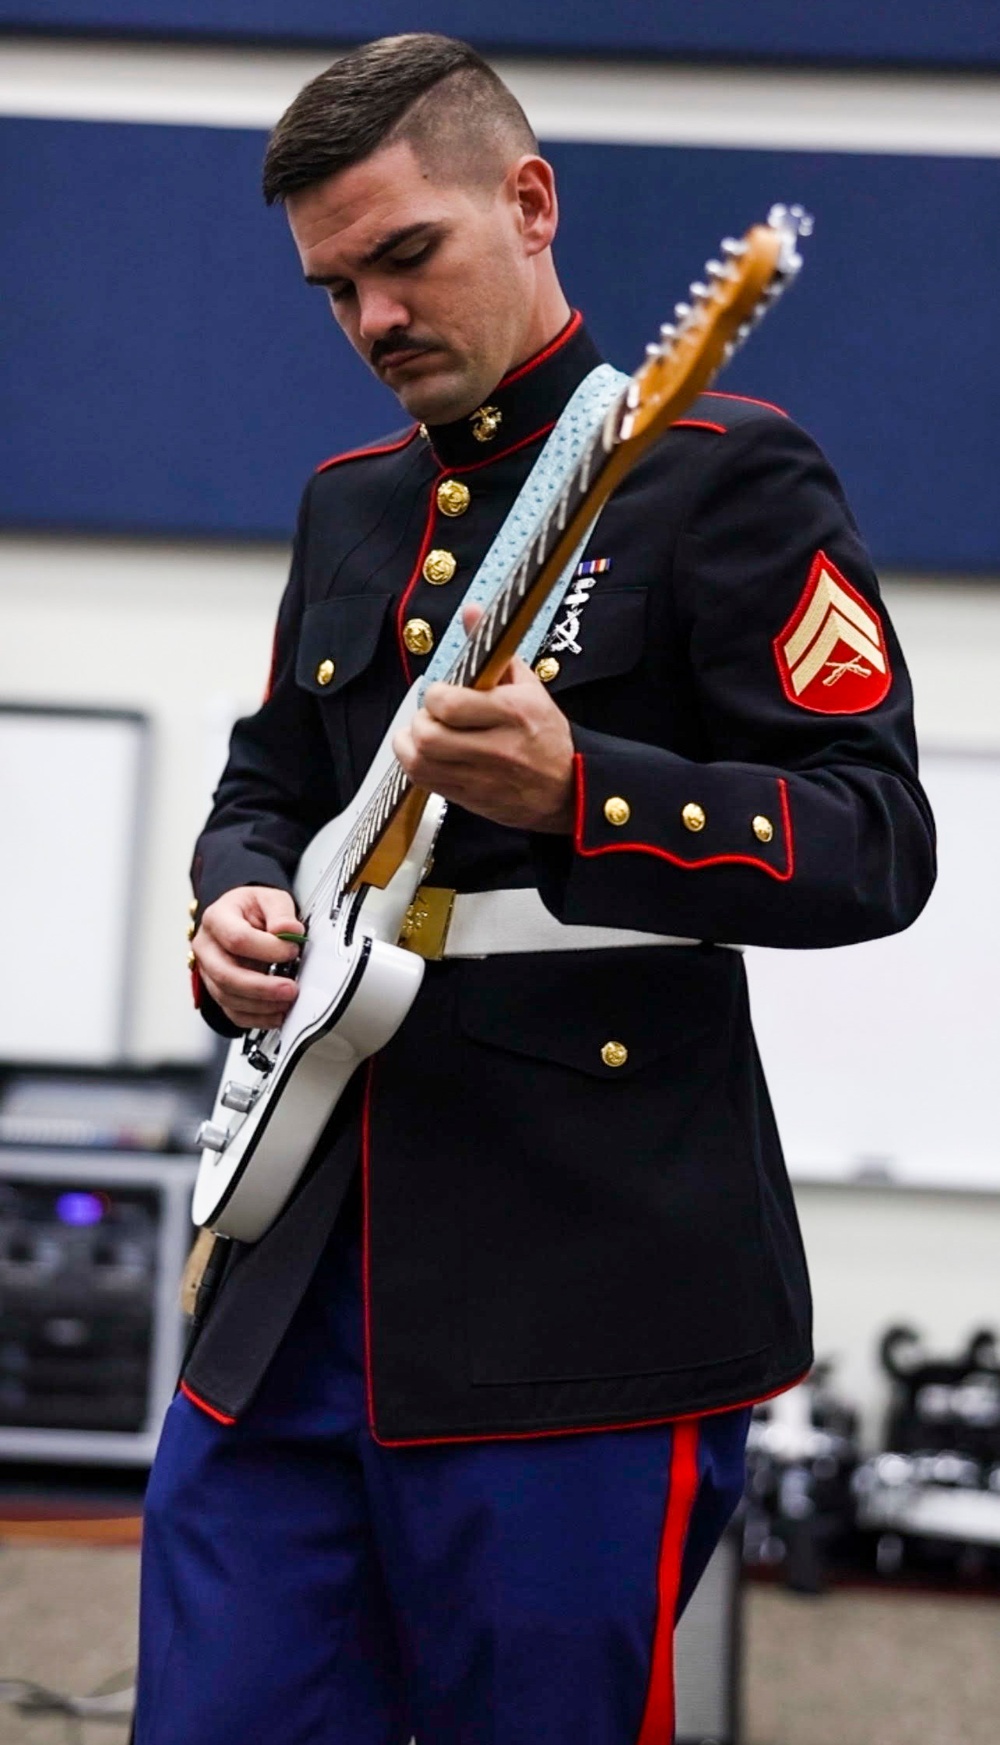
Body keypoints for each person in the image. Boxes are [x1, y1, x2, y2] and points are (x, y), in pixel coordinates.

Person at [136, 33, 936, 1745]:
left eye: (404, 256)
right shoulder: (346, 509)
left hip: (582, 1289)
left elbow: (875, 836)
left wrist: (587, 792)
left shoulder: (719, 468)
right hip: (289, 1282)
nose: (373, 323)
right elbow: (264, 787)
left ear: (530, 200)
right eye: (334, 289)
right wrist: (234, 910)